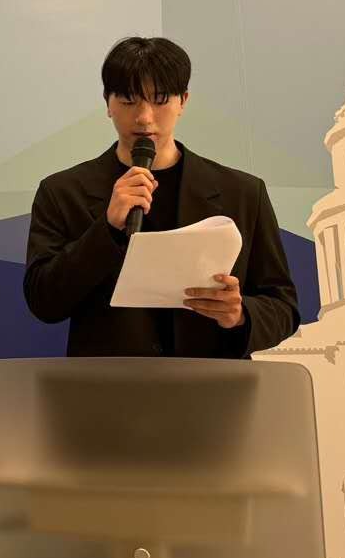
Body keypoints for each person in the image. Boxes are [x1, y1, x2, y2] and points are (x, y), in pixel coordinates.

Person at [23, 36, 299, 357]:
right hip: (107, 384)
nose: (144, 117)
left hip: (212, 382)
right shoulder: (62, 192)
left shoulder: (243, 193)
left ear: (183, 101)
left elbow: (283, 307)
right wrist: (107, 229)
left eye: (160, 99)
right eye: (128, 100)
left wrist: (239, 314)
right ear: (108, 103)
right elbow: (43, 302)